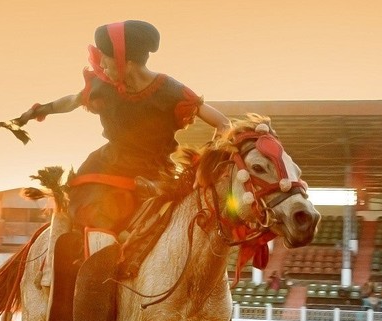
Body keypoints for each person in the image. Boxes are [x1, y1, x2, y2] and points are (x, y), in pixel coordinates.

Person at [16, 19, 230, 285]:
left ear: (125, 62)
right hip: (106, 168)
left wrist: (207, 165)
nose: (102, 67)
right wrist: (38, 111)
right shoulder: (103, 85)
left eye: (105, 61)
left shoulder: (172, 91)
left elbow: (223, 124)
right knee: (80, 214)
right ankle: (52, 271)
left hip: (155, 174)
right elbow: (70, 101)